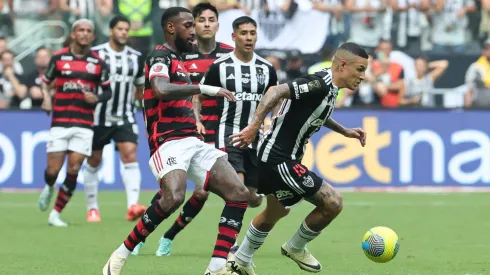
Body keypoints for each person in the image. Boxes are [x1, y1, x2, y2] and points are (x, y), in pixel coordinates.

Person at [102, 7, 250, 275]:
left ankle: (216, 267)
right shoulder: (160, 56)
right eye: (188, 25)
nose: (193, 30)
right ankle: (120, 254)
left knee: (240, 194)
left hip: (193, 140)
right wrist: (202, 88)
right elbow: (160, 89)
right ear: (171, 28)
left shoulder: (179, 60)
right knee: (173, 197)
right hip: (167, 141)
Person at [226, 42, 368, 275]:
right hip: (279, 159)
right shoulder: (320, 84)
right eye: (360, 69)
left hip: (278, 157)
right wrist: (255, 125)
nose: (363, 76)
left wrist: (344, 131)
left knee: (276, 211)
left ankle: (240, 261)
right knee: (333, 203)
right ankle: (295, 247)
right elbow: (275, 91)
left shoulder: (329, 85)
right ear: (343, 65)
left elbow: (315, 112)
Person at [130, 2, 235, 256]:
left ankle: (171, 236)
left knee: (208, 190)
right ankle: (142, 235)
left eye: (212, 20)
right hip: (184, 128)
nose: (206, 24)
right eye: (200, 21)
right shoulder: (178, 54)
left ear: (218, 25)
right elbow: (162, 88)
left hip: (220, 129)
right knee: (174, 192)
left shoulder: (228, 55)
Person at [37, 19, 112, 227]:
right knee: (52, 171)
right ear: (73, 34)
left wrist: (96, 98)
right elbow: (45, 82)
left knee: (74, 167)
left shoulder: (98, 63)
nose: (85, 34)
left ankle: (55, 214)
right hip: (60, 122)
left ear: (93, 36)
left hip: (84, 124)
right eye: (81, 30)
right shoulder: (59, 58)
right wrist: (47, 98)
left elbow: (108, 91)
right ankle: (50, 186)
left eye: (89, 31)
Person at [82, 15, 147, 223]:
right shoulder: (96, 54)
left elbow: (139, 88)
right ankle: (92, 208)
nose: (124, 33)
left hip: (124, 116)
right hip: (98, 117)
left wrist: (145, 113)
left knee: (130, 155)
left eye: (126, 30)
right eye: (120, 29)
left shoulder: (136, 57)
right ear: (111, 31)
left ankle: (132, 206)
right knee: (94, 160)